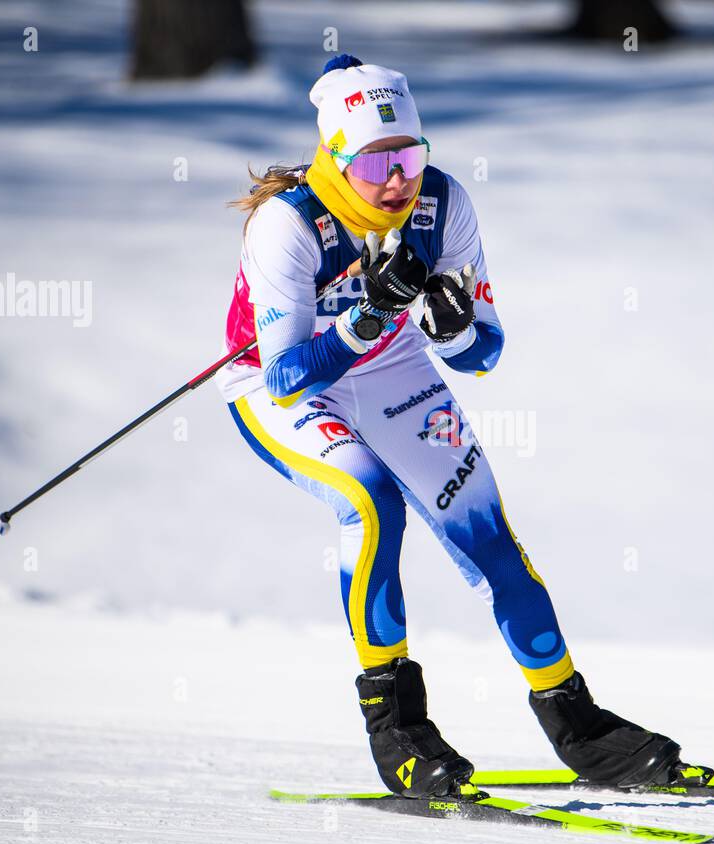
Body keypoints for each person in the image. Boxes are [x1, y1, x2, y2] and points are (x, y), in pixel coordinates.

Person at [216, 54, 685, 797]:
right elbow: (283, 374)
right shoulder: (289, 225)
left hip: (395, 369)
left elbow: (485, 353)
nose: (398, 180)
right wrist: (366, 317)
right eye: (376, 166)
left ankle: (580, 725)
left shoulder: (442, 204)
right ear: (335, 160)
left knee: (487, 535)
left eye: (409, 155)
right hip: (289, 391)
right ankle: (396, 727)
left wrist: (454, 327)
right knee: (370, 500)